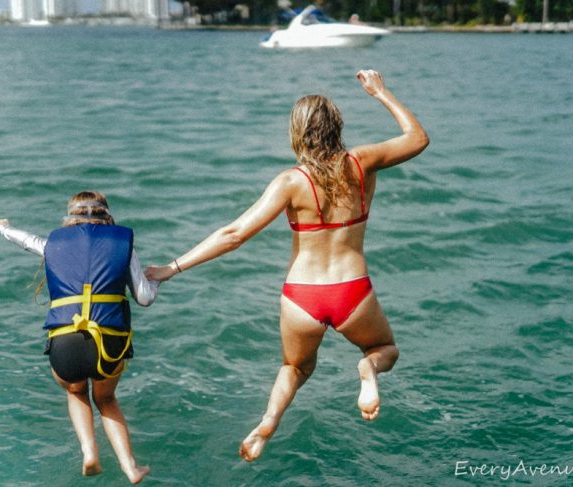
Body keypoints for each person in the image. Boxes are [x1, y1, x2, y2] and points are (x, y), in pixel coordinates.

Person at [146, 69, 429, 462]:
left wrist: (171, 268)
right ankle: (368, 369)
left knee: (295, 368)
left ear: (297, 132)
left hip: (302, 298)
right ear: (337, 126)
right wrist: (380, 92)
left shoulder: (291, 182)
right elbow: (418, 138)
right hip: (352, 290)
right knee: (385, 349)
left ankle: (268, 421)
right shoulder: (363, 161)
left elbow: (234, 234)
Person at [0, 190, 154, 484]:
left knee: (76, 391)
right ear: (106, 214)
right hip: (109, 344)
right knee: (106, 398)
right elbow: (144, 298)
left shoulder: (53, 244)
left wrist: (4, 228)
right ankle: (130, 466)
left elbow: (26, 240)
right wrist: (156, 279)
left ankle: (89, 452)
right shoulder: (123, 244)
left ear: (70, 216)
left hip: (66, 341)